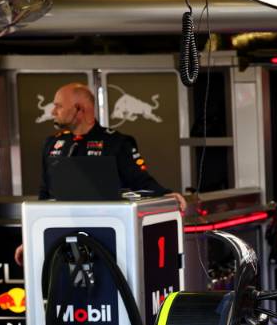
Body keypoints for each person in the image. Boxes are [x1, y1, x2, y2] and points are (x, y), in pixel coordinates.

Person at [14, 83, 187, 265]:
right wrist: (30, 239)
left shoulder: (116, 143)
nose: (53, 112)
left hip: (106, 240)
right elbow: (45, 195)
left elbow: (141, 181)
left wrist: (165, 194)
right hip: (61, 239)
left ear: (79, 109)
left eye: (58, 106)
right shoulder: (52, 144)